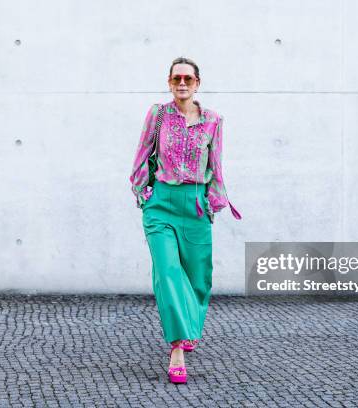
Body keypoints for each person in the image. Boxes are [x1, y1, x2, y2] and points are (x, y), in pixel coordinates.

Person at [129, 57, 242, 383]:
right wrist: (143, 192)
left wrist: (214, 201)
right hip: (161, 204)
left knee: (199, 278)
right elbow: (141, 153)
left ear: (197, 84)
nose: (182, 83)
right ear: (169, 81)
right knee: (167, 272)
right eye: (176, 78)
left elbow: (216, 165)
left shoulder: (213, 120)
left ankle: (189, 326)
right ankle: (177, 346)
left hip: (194, 205)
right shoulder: (158, 114)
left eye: (188, 79)